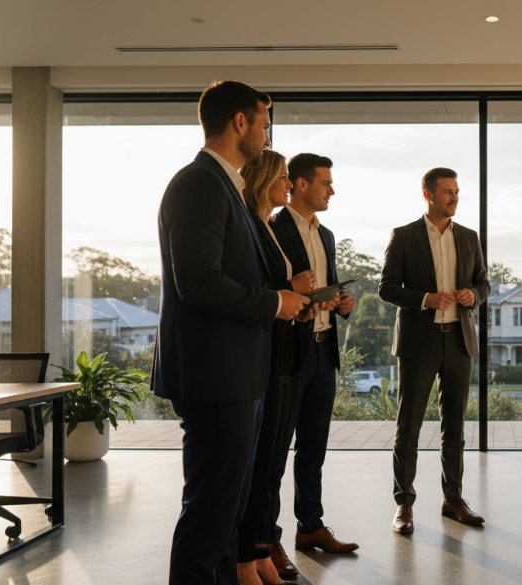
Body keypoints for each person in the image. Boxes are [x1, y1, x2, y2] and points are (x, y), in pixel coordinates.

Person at [152, 81, 308, 585]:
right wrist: (275, 302)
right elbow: (198, 282)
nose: (268, 136)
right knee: (210, 516)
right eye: (264, 123)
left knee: (226, 519)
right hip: (215, 376)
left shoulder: (227, 187)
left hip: (237, 375)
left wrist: (280, 300)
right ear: (240, 122)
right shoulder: (199, 183)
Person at [379, 167, 491, 534]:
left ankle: (453, 499)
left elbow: (484, 284)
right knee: (408, 425)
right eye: (447, 192)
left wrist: (473, 295)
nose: (454, 198)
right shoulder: (404, 236)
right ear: (428, 195)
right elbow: (386, 288)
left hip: (459, 340)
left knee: (455, 426)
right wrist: (426, 299)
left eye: (456, 191)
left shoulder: (469, 237)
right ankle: (404, 504)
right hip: (418, 343)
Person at [270, 153, 359, 556]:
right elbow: (271, 288)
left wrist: (342, 302)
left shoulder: (327, 236)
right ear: (301, 184)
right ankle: (266, 539)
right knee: (274, 451)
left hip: (324, 352)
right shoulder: (273, 228)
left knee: (313, 449)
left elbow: (328, 285)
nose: (332, 191)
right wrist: (295, 289)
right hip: (289, 353)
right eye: (326, 183)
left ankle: (310, 527)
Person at [236, 150, 314, 585]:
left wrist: (301, 304)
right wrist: (290, 288)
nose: (288, 183)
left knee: (269, 467)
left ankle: (261, 553)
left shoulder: (266, 225)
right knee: (258, 468)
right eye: (283, 177)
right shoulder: (253, 225)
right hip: (263, 358)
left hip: (284, 353)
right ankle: (246, 561)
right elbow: (256, 290)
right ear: (265, 179)